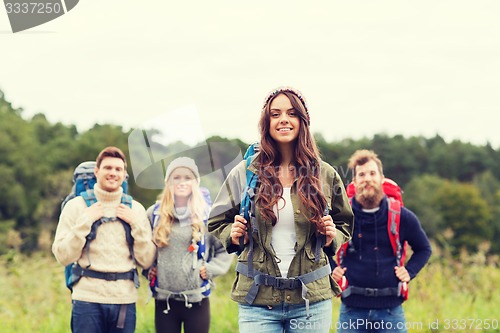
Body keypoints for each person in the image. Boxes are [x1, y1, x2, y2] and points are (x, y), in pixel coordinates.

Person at [208, 86, 354, 333]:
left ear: (302, 121)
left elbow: (345, 223)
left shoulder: (325, 174)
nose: (283, 119)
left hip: (311, 301)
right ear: (266, 122)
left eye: (291, 113)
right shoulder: (244, 173)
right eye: (275, 114)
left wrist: (332, 236)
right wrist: (231, 234)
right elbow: (216, 221)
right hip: (257, 301)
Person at [52, 146, 156, 333]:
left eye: (118, 169)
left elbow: (146, 260)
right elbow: (62, 256)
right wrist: (85, 221)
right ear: (97, 171)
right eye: (108, 168)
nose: (113, 173)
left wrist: (136, 226)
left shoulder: (136, 209)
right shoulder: (76, 207)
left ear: (124, 175)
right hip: (87, 299)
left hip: (124, 299)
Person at [332, 149, 432, 333]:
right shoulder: (342, 216)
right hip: (351, 309)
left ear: (382, 178)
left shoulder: (402, 216)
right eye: (361, 174)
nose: (367, 179)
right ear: (354, 181)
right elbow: (319, 245)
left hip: (390, 311)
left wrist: (409, 272)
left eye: (372, 173)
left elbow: (424, 248)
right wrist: (332, 269)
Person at [147, 157, 232, 333]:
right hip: (164, 300)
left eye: (187, 178)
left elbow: (224, 249)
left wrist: (210, 269)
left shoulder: (208, 215)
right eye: (176, 177)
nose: (182, 182)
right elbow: (142, 248)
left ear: (196, 182)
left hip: (197, 300)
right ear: (168, 182)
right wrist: (147, 269)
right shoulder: (154, 214)